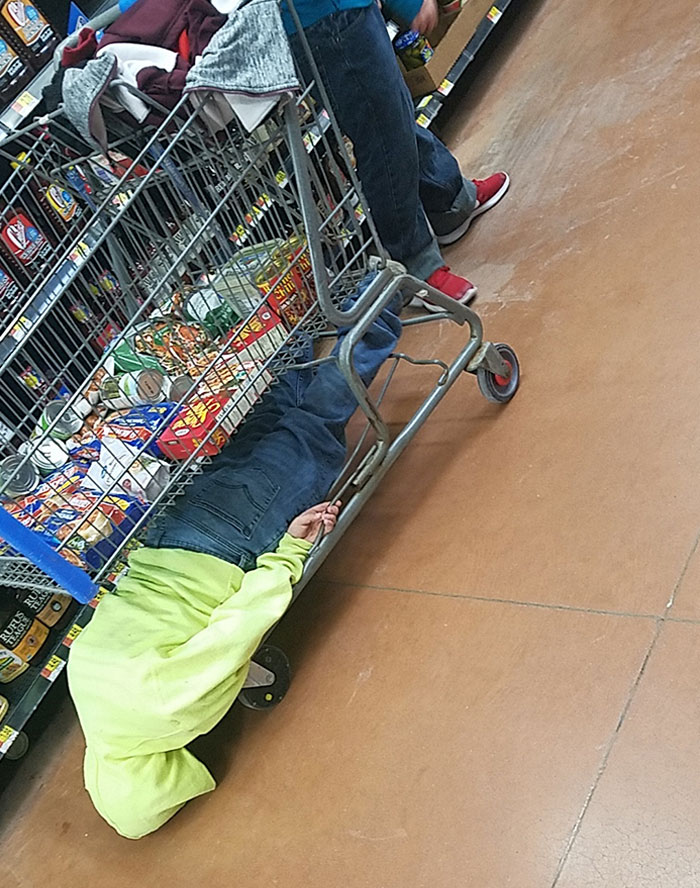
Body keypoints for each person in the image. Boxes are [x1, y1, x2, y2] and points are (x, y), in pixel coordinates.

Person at [67, 290, 403, 839]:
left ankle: (382, 302)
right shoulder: (87, 691)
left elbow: (237, 628)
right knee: (257, 420)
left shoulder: (167, 711)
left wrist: (289, 554)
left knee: (313, 430)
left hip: (228, 542)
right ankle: (317, 305)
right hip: (167, 531)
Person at [284, 0, 510, 312]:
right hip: (325, 17)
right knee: (380, 134)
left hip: (333, 13)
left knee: (391, 116)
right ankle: (415, 267)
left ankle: (448, 199)